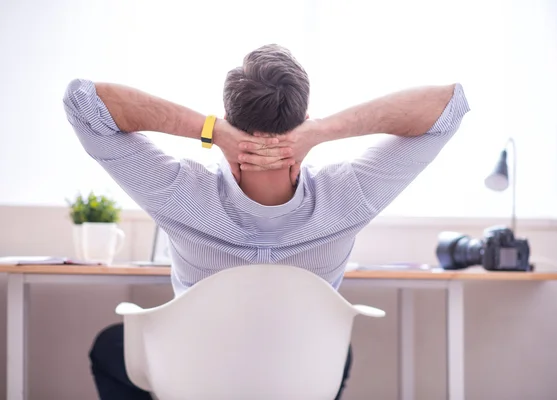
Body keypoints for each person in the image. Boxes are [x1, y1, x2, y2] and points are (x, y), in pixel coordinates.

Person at [64, 44, 469, 399]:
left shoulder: (180, 193)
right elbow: (447, 107)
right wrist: (321, 132)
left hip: (197, 381)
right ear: (304, 117)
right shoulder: (348, 196)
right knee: (335, 351)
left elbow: (83, 102)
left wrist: (210, 131)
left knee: (110, 348)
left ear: (228, 117)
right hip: (301, 382)